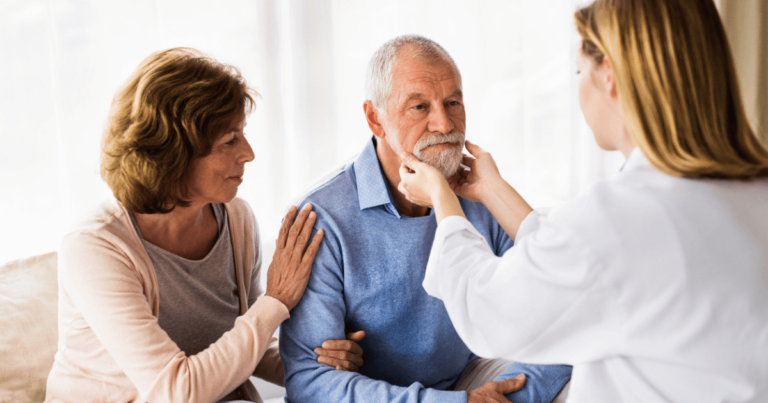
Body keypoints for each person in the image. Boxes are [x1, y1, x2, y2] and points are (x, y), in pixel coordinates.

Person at [396, 1, 768, 402]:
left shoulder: (623, 216)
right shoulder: (750, 189)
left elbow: (488, 311)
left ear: (608, 74)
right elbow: (580, 262)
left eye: (579, 71)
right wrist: (490, 189)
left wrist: (442, 198)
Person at [46, 48, 365, 403]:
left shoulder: (237, 219)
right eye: (229, 140)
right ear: (171, 153)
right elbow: (175, 391)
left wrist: (316, 361)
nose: (248, 153)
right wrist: (276, 300)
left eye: (242, 133)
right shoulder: (94, 247)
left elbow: (245, 344)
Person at [279, 35, 572, 403]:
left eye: (453, 102)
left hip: (467, 376)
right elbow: (310, 382)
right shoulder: (320, 216)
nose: (444, 124)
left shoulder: (478, 190)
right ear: (375, 119)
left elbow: (565, 309)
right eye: (419, 107)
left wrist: (500, 398)